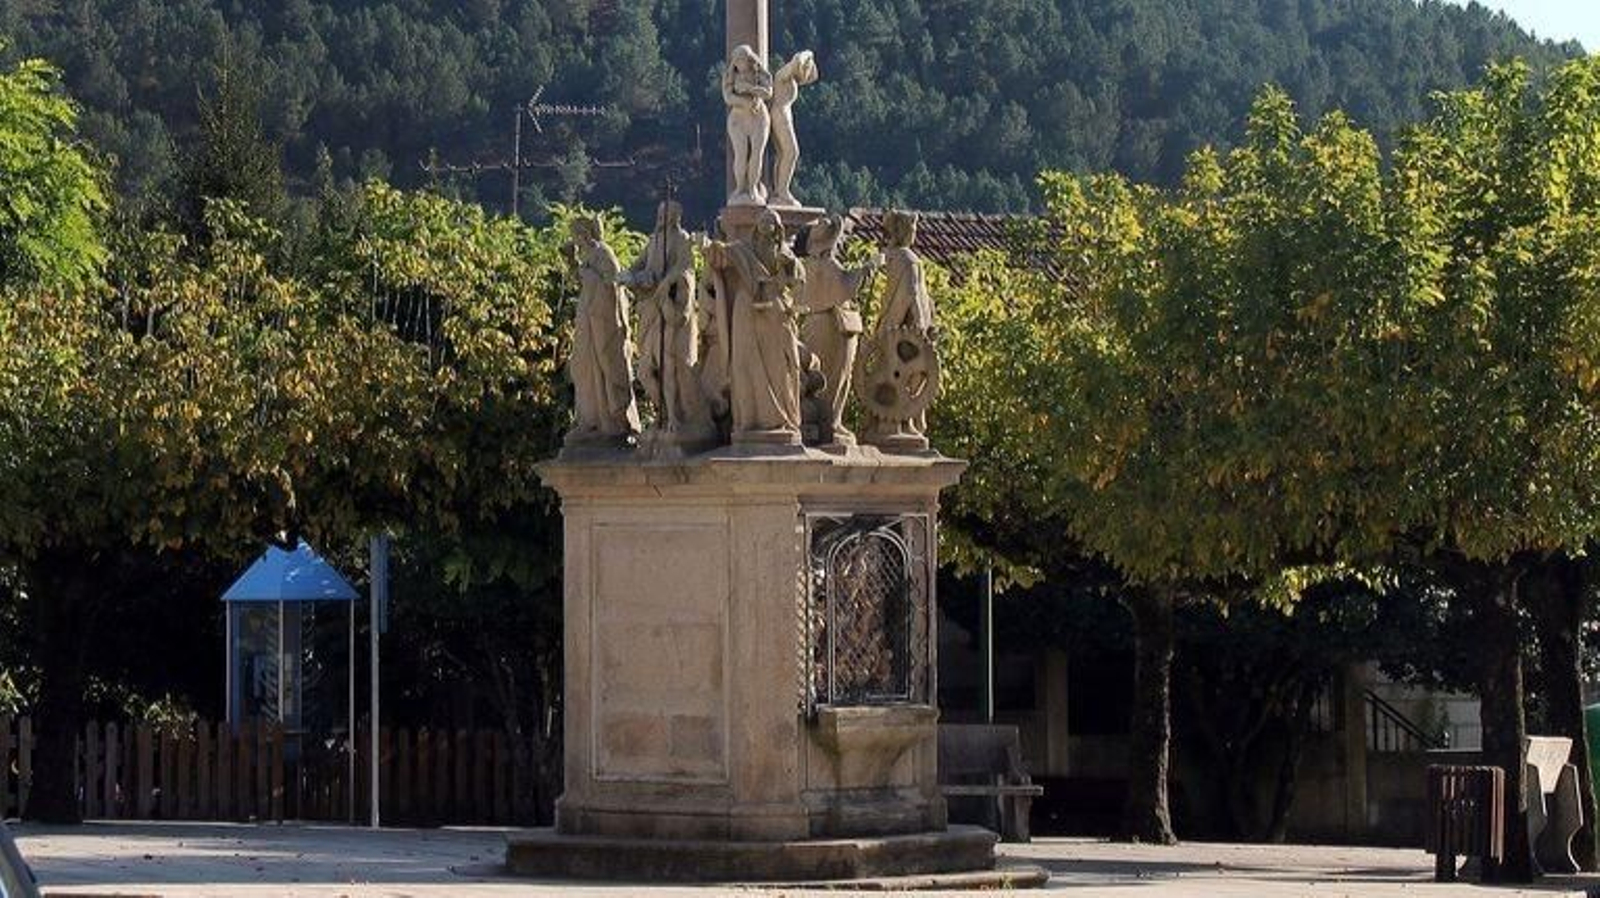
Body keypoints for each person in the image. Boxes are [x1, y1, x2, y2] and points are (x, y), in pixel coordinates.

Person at [710, 210, 806, 443]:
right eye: (763, 220)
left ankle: (779, 418)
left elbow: (799, 279)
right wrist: (715, 250)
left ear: (778, 228)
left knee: (780, 366)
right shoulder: (742, 249)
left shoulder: (784, 252)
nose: (766, 224)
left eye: (771, 221)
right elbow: (721, 256)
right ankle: (749, 419)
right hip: (746, 310)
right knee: (744, 362)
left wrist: (789, 267)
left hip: (775, 312)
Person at [621, 201, 707, 435]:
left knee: (669, 367)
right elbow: (636, 267)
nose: (660, 217)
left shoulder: (682, 239)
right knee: (644, 372)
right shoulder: (654, 241)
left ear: (675, 216)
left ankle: (674, 417)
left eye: (665, 214)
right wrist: (634, 278)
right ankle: (664, 412)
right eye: (659, 213)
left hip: (669, 312)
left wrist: (667, 282)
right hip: (650, 310)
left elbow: (686, 269)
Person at [798, 215, 880, 445]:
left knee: (833, 376)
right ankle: (830, 424)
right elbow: (845, 285)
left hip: (823, 324)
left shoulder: (811, 264)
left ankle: (831, 421)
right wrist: (867, 268)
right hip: (830, 326)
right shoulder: (824, 264)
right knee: (833, 377)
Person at [565, 216, 640, 446]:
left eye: (576, 235)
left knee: (605, 365)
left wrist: (586, 274)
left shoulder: (604, 253)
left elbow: (612, 285)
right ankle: (589, 419)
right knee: (582, 366)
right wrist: (572, 263)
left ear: (585, 234)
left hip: (602, 322)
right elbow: (583, 281)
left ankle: (611, 422)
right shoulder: (587, 255)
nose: (575, 240)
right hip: (587, 319)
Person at [723, 44, 773, 206]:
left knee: (757, 154)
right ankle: (740, 188)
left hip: (759, 117)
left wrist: (750, 88)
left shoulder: (758, 72)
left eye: (742, 60)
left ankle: (752, 188)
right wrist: (744, 102)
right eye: (736, 61)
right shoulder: (731, 75)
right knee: (741, 154)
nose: (739, 63)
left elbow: (768, 92)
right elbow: (728, 97)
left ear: (749, 59)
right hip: (738, 118)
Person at [769, 51, 819, 208]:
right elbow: (798, 59)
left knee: (783, 154)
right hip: (781, 115)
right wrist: (808, 54)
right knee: (792, 152)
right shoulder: (785, 73)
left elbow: (811, 75)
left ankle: (779, 191)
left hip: (782, 114)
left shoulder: (790, 78)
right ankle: (782, 191)